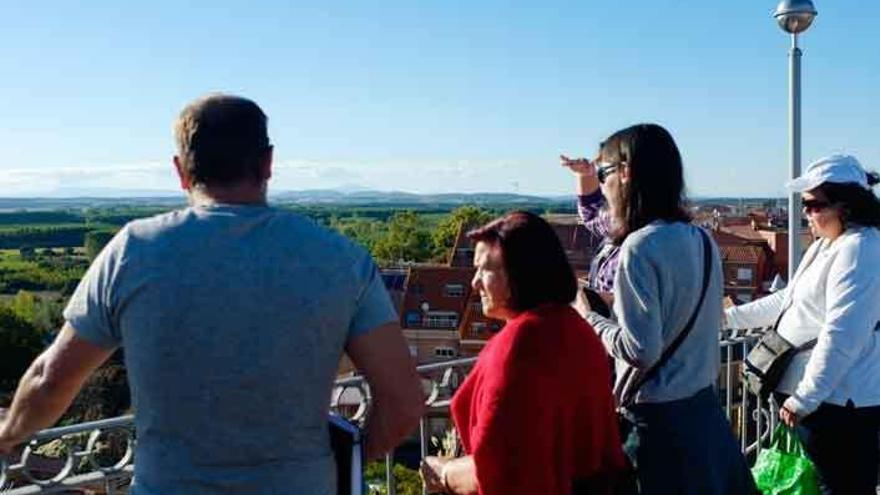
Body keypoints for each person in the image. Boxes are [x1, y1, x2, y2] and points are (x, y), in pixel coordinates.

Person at [0, 94, 424, 494]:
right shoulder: (341, 260)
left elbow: (50, 379)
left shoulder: (133, 252)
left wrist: (8, 436)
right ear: (268, 163)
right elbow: (404, 402)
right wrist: (347, 460)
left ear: (180, 169)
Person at [577, 123, 756, 494]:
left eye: (603, 174)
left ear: (625, 173)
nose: (603, 185)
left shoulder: (639, 247)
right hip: (703, 416)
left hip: (657, 427)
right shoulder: (700, 238)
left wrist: (589, 316)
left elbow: (641, 351)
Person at [421, 211, 626, 495]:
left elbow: (499, 467)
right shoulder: (573, 326)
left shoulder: (520, 345)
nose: (474, 282)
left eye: (486, 269)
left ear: (520, 273)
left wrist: (444, 473)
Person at [726, 154, 880, 495]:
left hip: (839, 405)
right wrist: (729, 318)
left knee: (842, 486)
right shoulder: (828, 245)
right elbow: (788, 301)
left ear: (846, 205)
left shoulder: (860, 250)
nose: (805, 213)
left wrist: (805, 398)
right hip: (817, 401)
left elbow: (843, 333)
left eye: (813, 205)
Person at [561, 153, 619, 309]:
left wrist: (590, 308)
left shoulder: (642, 241)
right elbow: (593, 213)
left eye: (603, 173)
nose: (602, 182)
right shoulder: (621, 221)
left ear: (626, 174)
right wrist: (586, 175)